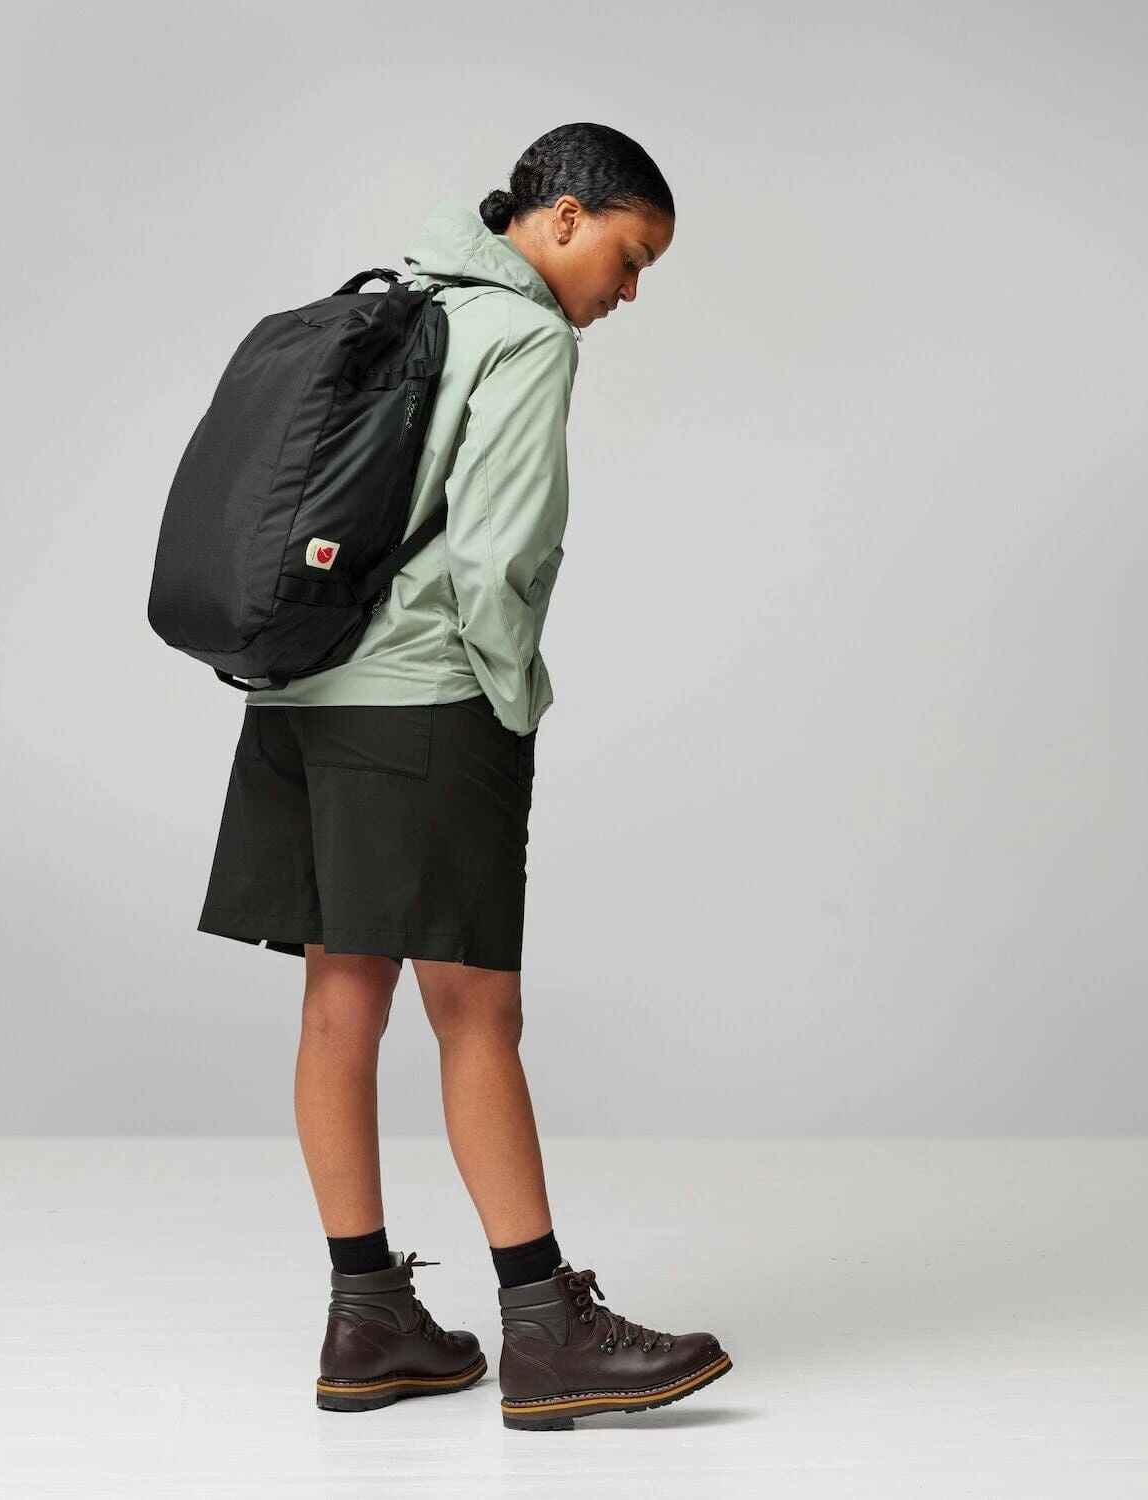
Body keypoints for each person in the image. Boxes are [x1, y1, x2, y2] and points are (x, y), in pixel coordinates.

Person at [196, 122, 731, 1431]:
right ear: (564, 218)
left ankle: (367, 1319)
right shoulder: (525, 335)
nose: (629, 291)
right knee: (477, 1013)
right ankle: (546, 1332)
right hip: (428, 704)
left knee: (340, 1004)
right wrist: (512, 698)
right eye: (629, 256)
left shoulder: (398, 301)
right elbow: (497, 562)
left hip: (297, 698)